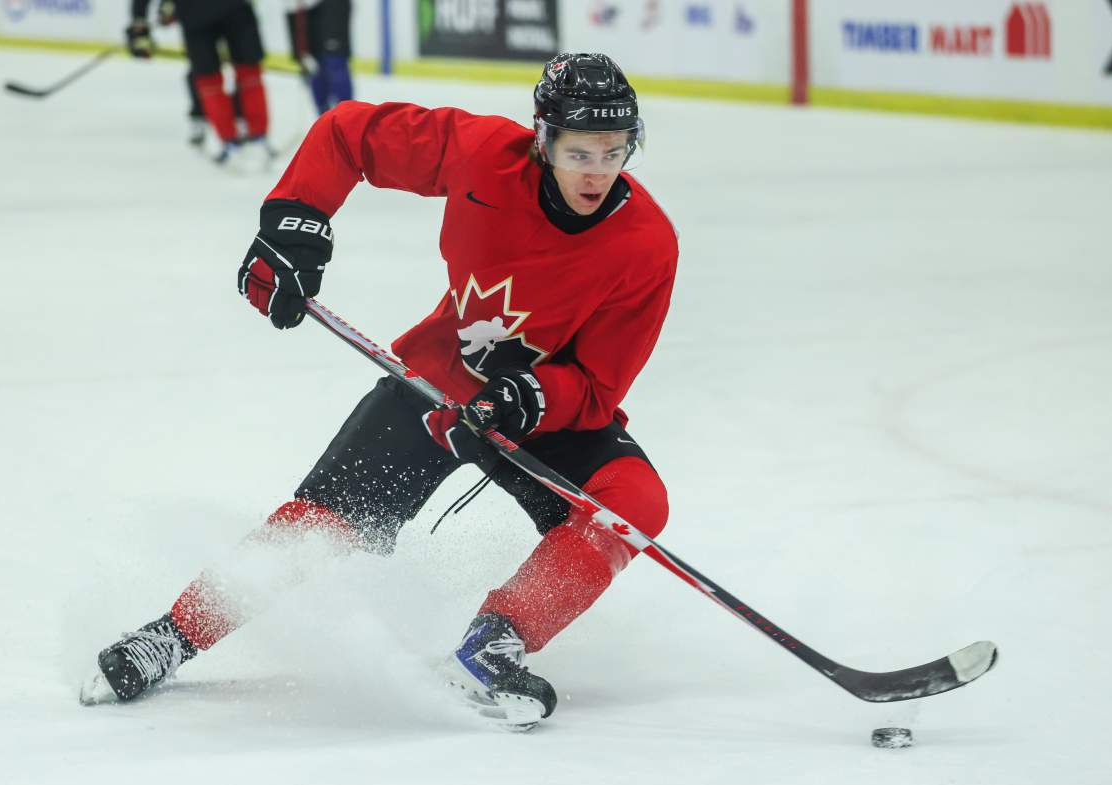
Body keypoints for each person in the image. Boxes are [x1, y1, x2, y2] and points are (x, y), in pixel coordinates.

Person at [82, 53, 677, 729]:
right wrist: (295, 220)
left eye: (614, 150)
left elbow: (600, 382)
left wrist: (529, 398)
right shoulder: (484, 155)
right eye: (578, 151)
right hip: (436, 387)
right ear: (542, 139)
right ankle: (170, 636)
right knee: (321, 527)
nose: (598, 171)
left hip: (539, 409)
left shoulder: (648, 244)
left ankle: (496, 642)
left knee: (633, 502)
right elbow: (348, 133)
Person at [126, 0, 273, 166]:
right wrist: (139, 21)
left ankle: (253, 138)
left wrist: (141, 20)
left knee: (245, 73)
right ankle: (235, 140)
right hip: (199, 14)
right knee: (211, 79)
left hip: (227, 10)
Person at [285, 0, 355, 113]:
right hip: (305, 15)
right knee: (316, 74)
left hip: (330, 12)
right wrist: (298, 52)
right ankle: (325, 122)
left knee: (334, 64)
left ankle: (347, 120)